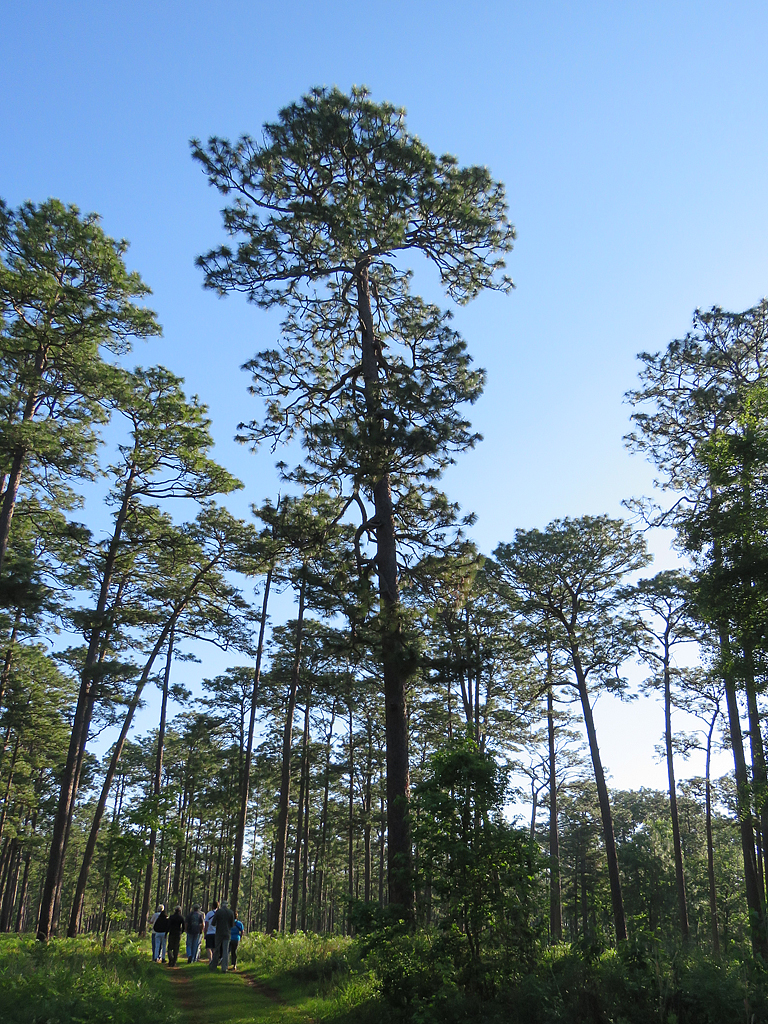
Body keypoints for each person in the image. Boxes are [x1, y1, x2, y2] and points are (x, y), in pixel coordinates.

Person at [209, 900, 234, 972]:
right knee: (225, 951)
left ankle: (214, 966)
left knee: (216, 949)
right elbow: (232, 925)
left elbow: (213, 923)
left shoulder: (218, 912)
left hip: (219, 933)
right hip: (227, 933)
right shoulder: (231, 912)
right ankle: (224, 968)